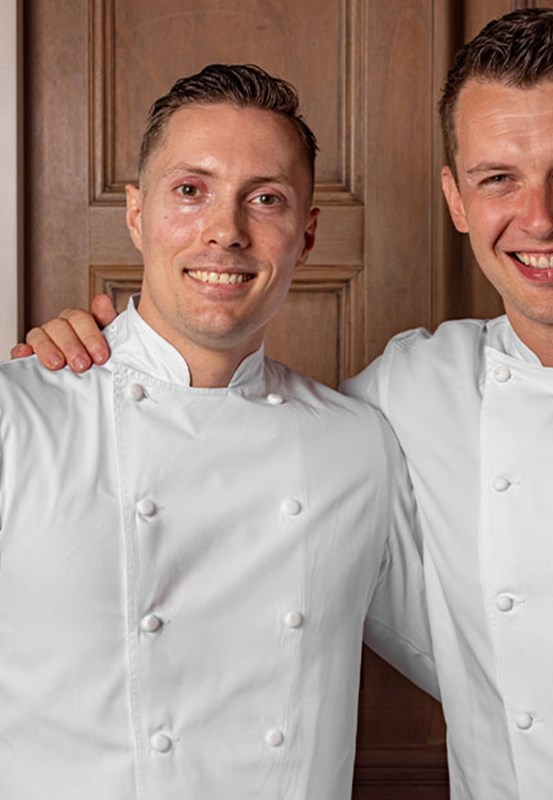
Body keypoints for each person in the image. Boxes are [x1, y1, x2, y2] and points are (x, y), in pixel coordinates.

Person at [16, 8, 553, 800]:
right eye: (499, 178)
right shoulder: (407, 393)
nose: (539, 217)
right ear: (457, 200)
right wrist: (79, 356)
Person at [0, 63, 437, 800]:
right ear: (137, 214)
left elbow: (473, 647)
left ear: (306, 234)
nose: (225, 232)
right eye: (190, 190)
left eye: (265, 199)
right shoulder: (18, 420)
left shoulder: (359, 447)